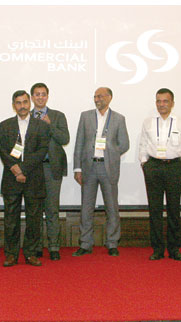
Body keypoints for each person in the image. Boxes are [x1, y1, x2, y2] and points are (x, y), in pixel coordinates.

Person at [72, 87, 129, 257]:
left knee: (112, 207)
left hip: (108, 167)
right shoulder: (86, 116)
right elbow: (79, 143)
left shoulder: (119, 118)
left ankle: (112, 243)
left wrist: (109, 149)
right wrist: (77, 168)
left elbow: (124, 144)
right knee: (86, 208)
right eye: (95, 96)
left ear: (110, 97)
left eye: (101, 96)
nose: (97, 99)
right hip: (89, 167)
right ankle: (85, 243)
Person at [138, 88, 181, 261]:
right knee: (154, 210)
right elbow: (142, 145)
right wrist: (145, 164)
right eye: (158, 101)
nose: (161, 104)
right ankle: (157, 249)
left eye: (165, 101)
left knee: (173, 210)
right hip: (153, 166)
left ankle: (174, 249)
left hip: (174, 167)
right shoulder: (148, 122)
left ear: (172, 103)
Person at [0, 90, 49, 267]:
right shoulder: (5, 125)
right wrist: (15, 170)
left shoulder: (41, 125)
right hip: (11, 178)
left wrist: (23, 169)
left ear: (30, 103)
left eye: (25, 102)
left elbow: (42, 151)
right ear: (14, 105)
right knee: (10, 219)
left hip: (33, 178)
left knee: (33, 219)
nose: (22, 106)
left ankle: (30, 253)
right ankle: (11, 254)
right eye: (18, 103)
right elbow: (4, 151)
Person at [30, 82, 69, 261]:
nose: (40, 97)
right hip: (33, 169)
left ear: (47, 96)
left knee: (52, 209)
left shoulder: (57, 116)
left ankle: (54, 246)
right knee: (35, 210)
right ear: (32, 97)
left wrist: (50, 125)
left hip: (52, 167)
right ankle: (37, 246)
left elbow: (64, 138)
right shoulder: (26, 116)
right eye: (37, 94)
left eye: (43, 94)